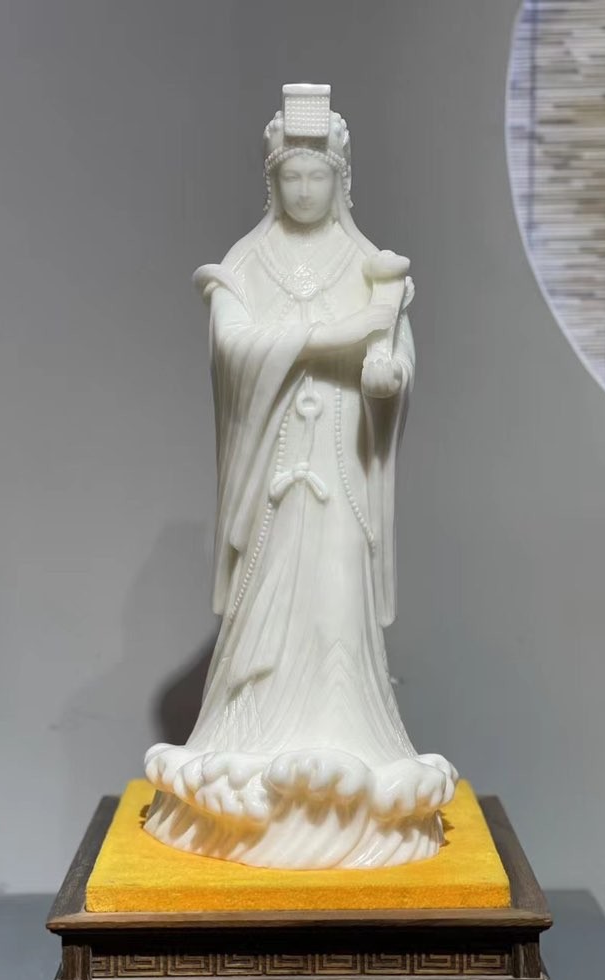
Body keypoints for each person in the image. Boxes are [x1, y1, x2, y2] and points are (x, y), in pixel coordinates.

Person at [145, 84, 457, 869]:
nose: (306, 189)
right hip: (276, 476)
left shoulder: (367, 265)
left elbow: (393, 355)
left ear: (340, 180)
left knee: (337, 602)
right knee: (268, 604)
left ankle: (350, 746)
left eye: (319, 176)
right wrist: (340, 333)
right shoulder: (248, 263)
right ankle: (252, 745)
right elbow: (235, 347)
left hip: (339, 468)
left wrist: (386, 372)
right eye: (293, 176)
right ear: (273, 181)